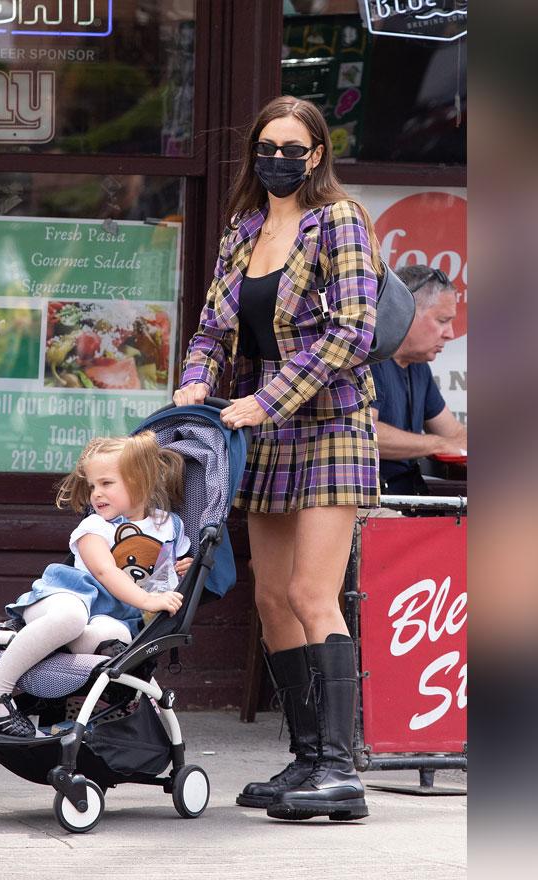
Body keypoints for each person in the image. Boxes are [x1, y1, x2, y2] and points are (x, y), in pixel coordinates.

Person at [172, 95, 378, 822]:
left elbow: (354, 331)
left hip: (328, 423)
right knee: (269, 597)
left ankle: (339, 769)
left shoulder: (341, 220)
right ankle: (308, 757)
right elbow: (212, 329)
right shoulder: (243, 228)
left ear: (318, 155)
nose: (279, 160)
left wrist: (268, 399)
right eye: (267, 147)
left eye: (294, 149)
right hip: (261, 430)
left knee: (312, 595)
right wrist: (198, 379)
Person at [0, 432, 193, 738]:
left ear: (141, 479)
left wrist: (182, 569)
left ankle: (11, 642)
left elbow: (164, 575)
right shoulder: (94, 526)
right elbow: (104, 571)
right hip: (66, 598)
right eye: (92, 486)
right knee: (72, 618)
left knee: (114, 646)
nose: (96, 494)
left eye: (106, 483)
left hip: (111, 618)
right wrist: (147, 600)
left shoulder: (170, 525)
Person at [369, 265, 468, 496]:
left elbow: (452, 433)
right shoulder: (369, 358)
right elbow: (365, 433)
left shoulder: (419, 366)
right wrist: (438, 445)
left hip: (409, 498)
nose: (450, 334)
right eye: (443, 320)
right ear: (406, 312)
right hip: (371, 506)